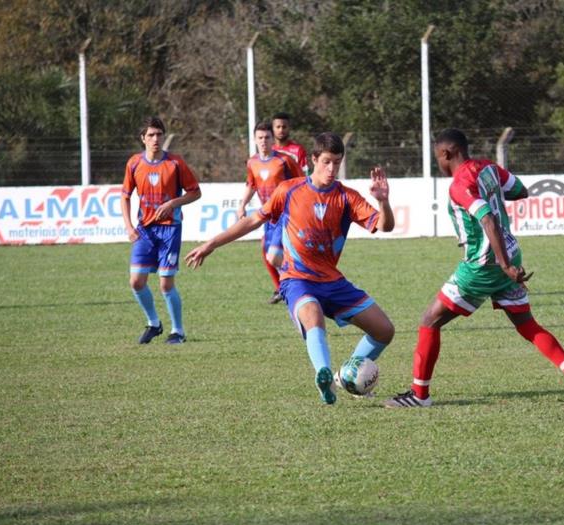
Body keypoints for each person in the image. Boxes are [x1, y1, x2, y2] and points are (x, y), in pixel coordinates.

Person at [384, 128, 564, 408]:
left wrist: (503, 264)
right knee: (527, 325)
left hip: (484, 265)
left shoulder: (459, 184)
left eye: (436, 157)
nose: (437, 163)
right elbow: (521, 191)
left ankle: (419, 396)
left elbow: (487, 219)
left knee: (429, 320)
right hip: (511, 252)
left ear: (445, 153)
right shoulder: (488, 167)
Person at [186, 133, 395, 405]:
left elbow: (384, 226)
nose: (331, 169)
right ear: (313, 161)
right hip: (297, 279)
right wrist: (211, 244)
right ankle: (322, 374)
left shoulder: (346, 197)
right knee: (313, 314)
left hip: (333, 281)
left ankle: (345, 376)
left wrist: (383, 201)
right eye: (326, 162)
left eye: (337, 163)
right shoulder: (289, 190)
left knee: (384, 331)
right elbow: (252, 221)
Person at [121, 116, 202, 344]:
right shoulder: (134, 164)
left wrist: (172, 203)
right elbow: (125, 196)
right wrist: (128, 226)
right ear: (143, 139)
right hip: (144, 231)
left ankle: (178, 331)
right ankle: (154, 323)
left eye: (159, 134)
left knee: (166, 283)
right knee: (136, 281)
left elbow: (195, 192)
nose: (155, 139)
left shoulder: (175, 164)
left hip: (170, 230)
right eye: (151, 135)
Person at [237, 121, 305, 304]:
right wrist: (242, 204)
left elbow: (302, 182)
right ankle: (283, 288)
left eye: (267, 137)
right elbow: (252, 184)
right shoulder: (252, 162)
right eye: (260, 137)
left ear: (272, 139)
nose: (263, 141)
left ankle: (297, 283)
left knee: (273, 255)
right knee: (267, 253)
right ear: (254, 139)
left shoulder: (284, 160)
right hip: (267, 216)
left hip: (286, 214)